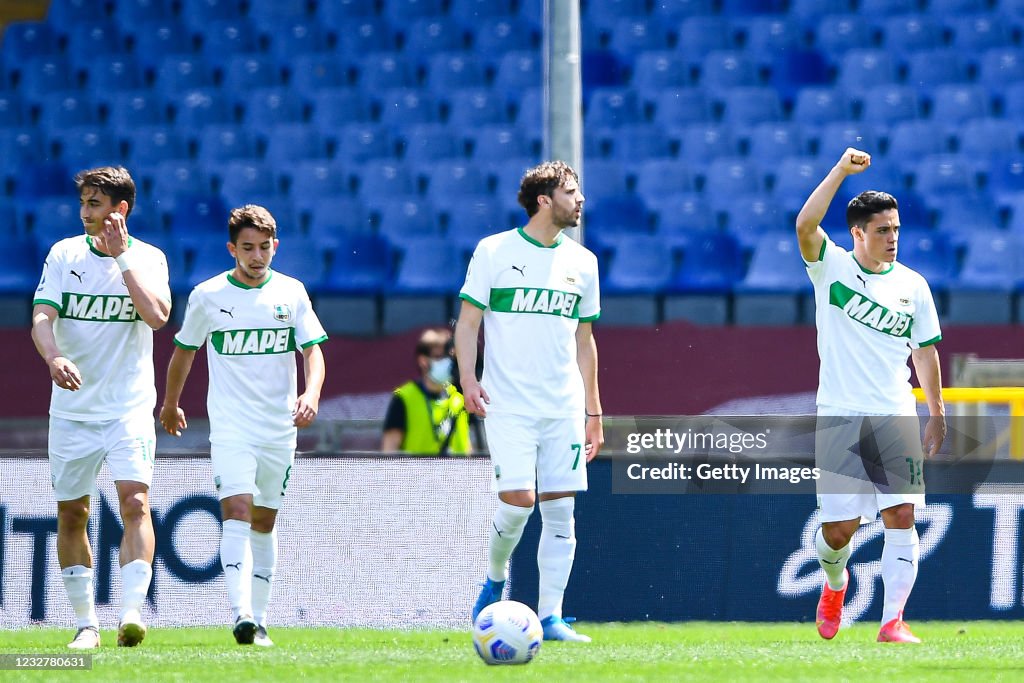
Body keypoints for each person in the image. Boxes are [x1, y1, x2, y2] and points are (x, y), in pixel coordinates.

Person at [158, 205, 327, 647]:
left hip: (278, 428)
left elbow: (313, 350)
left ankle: (262, 618)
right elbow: (184, 351)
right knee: (235, 510)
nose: (257, 256)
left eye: (264, 247)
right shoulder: (208, 296)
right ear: (232, 249)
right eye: (247, 248)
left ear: (276, 246)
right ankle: (242, 614)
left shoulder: (292, 293)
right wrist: (171, 403)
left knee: (265, 521)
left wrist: (310, 395)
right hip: (232, 427)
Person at [795, 148, 945, 644]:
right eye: (883, 230)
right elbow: (805, 224)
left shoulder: (913, 286)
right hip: (840, 415)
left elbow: (924, 352)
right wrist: (840, 170)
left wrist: (936, 411)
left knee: (901, 515)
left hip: (894, 413)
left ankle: (892, 622)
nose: (893, 238)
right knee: (840, 531)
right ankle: (835, 583)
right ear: (857, 233)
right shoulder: (831, 269)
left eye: (897, 229)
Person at [455, 160, 603, 642]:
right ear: (545, 199)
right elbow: (468, 322)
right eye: (572, 192)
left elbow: (586, 341)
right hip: (509, 403)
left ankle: (552, 617)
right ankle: (496, 579)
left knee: (561, 510)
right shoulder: (493, 251)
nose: (580, 200)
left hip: (562, 406)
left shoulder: (584, 262)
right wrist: (468, 379)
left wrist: (594, 410)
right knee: (519, 504)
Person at [30, 166, 171, 649]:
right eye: (84, 203)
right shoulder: (63, 254)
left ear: (120, 210)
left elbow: (156, 317)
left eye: (95, 203)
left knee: (136, 502)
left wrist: (122, 258)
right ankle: (86, 624)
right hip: (72, 410)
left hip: (128, 408)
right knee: (72, 513)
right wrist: (54, 356)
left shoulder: (150, 258)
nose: (85, 212)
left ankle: (132, 612)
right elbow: (41, 317)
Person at [381, 327, 472, 455]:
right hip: (416, 474)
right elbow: (389, 450)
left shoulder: (460, 397)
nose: (447, 362)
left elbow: (467, 447)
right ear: (423, 361)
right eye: (439, 357)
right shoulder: (404, 398)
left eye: (449, 356)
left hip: (462, 474)